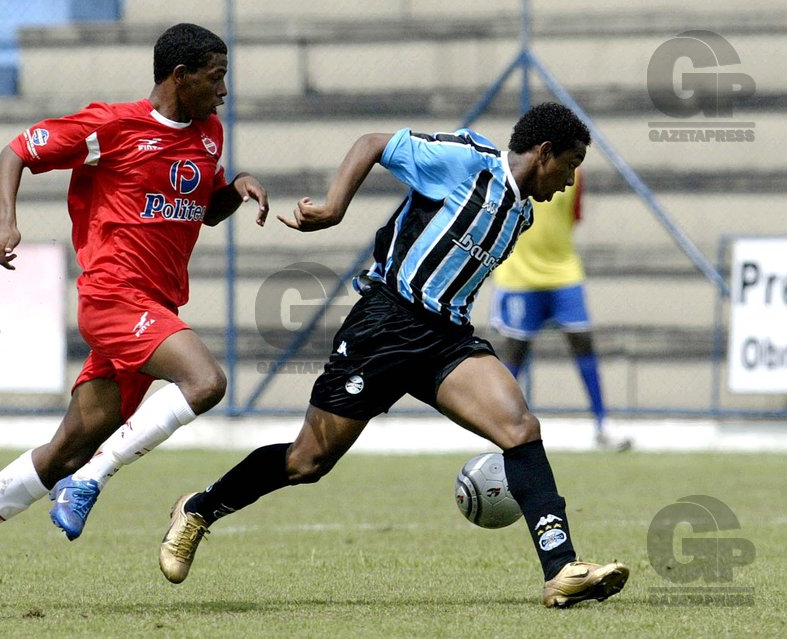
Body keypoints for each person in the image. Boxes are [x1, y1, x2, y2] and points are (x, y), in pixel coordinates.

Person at [156, 102, 629, 609]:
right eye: (572, 165)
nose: (569, 181)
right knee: (306, 461)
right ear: (544, 152)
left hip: (445, 338)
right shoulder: (469, 159)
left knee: (520, 428)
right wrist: (335, 208)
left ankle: (562, 570)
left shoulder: (522, 213)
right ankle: (199, 510)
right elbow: (372, 144)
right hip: (385, 325)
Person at [0, 23, 268, 608]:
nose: (224, 90)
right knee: (206, 381)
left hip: (155, 309)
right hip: (113, 297)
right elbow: (17, 150)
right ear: (180, 76)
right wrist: (5, 221)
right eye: (216, 77)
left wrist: (238, 187)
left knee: (65, 450)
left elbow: (202, 209)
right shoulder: (112, 126)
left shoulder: (209, 135)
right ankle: (94, 480)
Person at [489, 169, 631, 451]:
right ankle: (495, 429)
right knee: (514, 352)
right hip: (519, 276)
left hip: (563, 273)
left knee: (583, 343)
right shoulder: (510, 168)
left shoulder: (574, 172)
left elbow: (574, 216)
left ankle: (602, 425)